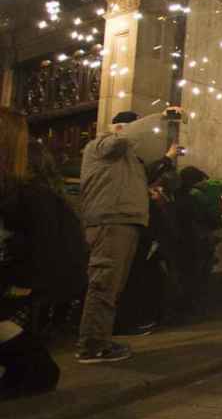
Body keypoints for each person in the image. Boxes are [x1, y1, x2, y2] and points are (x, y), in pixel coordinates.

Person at [77, 108, 180, 364]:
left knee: (112, 284)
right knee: (104, 282)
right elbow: (124, 136)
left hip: (123, 221)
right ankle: (92, 344)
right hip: (112, 220)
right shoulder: (102, 144)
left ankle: (99, 339)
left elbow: (143, 177)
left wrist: (166, 158)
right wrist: (161, 116)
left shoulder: (127, 158)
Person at [1, 112, 85, 398]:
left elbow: (45, 250)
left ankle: (34, 369)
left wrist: (21, 283)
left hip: (24, 278)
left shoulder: (33, 196)